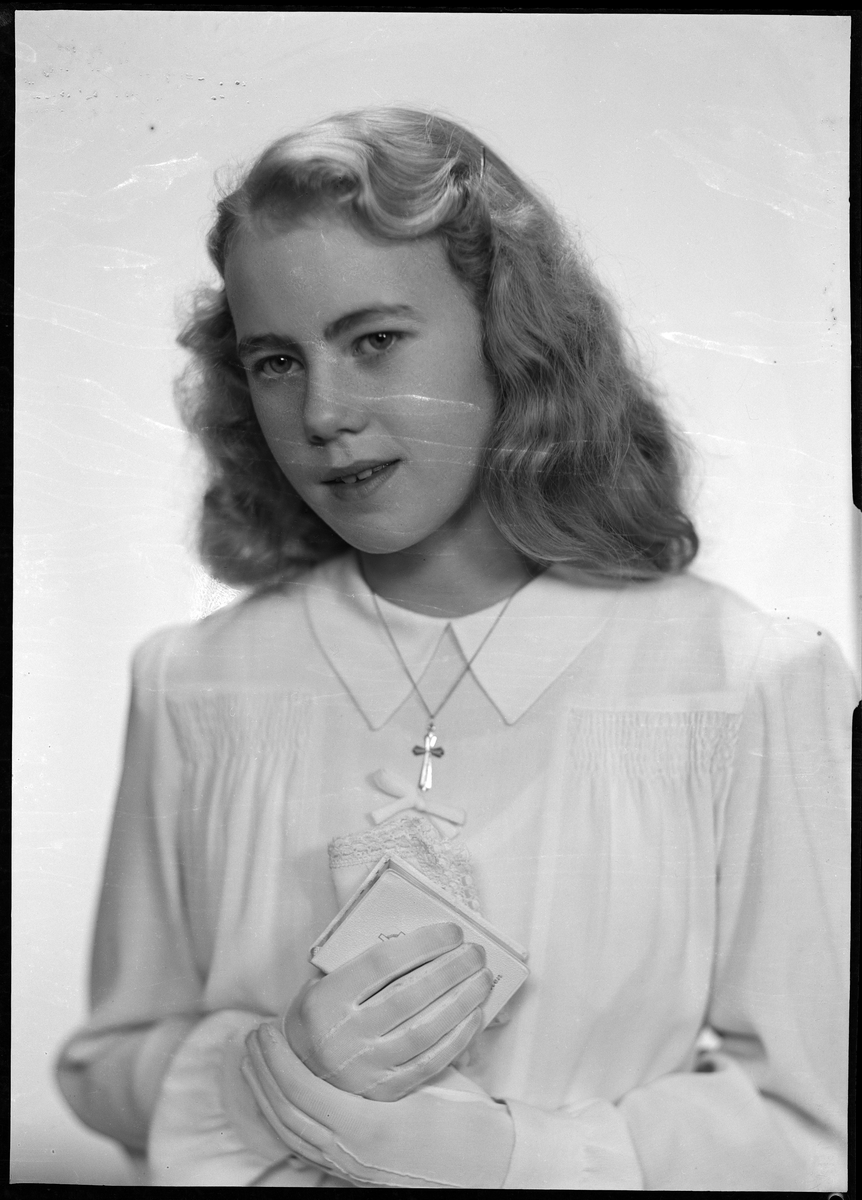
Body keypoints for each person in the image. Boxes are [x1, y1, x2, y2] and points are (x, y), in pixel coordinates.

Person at [56, 107, 853, 1189]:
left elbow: (816, 1126)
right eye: (277, 360)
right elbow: (105, 1064)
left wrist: (510, 1159)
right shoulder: (193, 681)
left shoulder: (745, 680)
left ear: (509, 337)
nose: (323, 412)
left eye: (374, 340)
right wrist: (272, 1075)